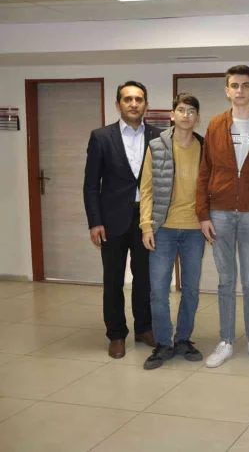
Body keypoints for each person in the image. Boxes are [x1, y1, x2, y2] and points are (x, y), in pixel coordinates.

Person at [196, 65, 249, 368]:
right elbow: (204, 170)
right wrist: (203, 214)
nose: (240, 90)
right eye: (234, 85)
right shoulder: (216, 124)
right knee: (226, 280)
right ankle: (226, 340)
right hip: (219, 212)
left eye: (245, 85)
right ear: (227, 90)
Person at [83, 80, 161, 358]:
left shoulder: (159, 136)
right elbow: (91, 185)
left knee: (145, 279)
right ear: (118, 104)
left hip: (146, 221)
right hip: (112, 221)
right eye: (128, 99)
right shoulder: (101, 137)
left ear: (146, 104)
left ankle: (144, 328)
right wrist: (95, 221)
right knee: (113, 280)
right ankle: (116, 334)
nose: (133, 104)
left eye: (139, 99)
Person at [139, 93, 205, 370]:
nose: (186, 115)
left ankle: (183, 339)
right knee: (158, 290)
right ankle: (163, 343)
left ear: (197, 117)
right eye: (181, 110)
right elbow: (146, 189)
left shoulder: (205, 147)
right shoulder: (156, 146)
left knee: (191, 289)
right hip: (163, 229)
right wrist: (146, 225)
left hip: (194, 230)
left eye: (191, 111)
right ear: (172, 114)